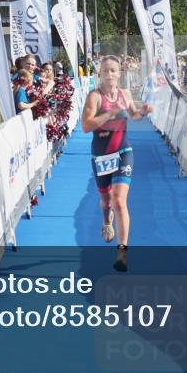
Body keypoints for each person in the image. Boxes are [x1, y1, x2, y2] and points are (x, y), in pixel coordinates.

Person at [81, 54, 153, 272]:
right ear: (100, 74)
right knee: (106, 201)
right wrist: (109, 114)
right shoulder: (94, 96)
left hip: (123, 151)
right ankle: (106, 220)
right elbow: (86, 126)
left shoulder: (125, 93)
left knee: (119, 200)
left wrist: (142, 111)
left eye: (113, 70)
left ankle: (122, 251)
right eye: (106, 71)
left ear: (119, 73)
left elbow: (133, 115)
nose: (110, 74)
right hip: (101, 154)